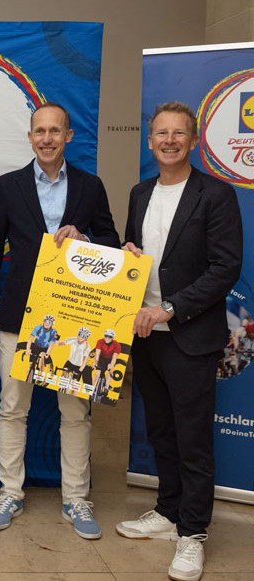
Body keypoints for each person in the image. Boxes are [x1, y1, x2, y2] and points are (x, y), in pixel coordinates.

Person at [0, 102, 120, 539]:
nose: (47, 138)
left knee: (75, 412)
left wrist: (87, 237)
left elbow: (111, 240)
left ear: (68, 136)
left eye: (55, 131)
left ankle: (76, 498)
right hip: (19, 315)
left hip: (78, 320)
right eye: (39, 131)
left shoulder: (90, 187)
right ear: (31, 136)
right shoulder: (9, 186)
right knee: (12, 408)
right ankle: (10, 492)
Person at [116, 101, 243, 581]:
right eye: (160, 133)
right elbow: (140, 252)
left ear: (193, 140)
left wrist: (168, 308)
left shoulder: (216, 194)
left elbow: (224, 267)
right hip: (145, 335)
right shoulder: (139, 192)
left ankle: (193, 534)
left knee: (193, 441)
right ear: (150, 141)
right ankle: (168, 512)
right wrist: (127, 253)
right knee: (161, 432)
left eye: (178, 134)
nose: (168, 141)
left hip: (188, 333)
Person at [53, 326, 92, 395]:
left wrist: (80, 371)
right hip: (70, 363)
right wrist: (56, 339)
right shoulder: (73, 339)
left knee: (74, 387)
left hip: (79, 366)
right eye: (80, 334)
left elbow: (84, 360)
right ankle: (61, 389)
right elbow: (58, 344)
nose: (81, 337)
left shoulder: (87, 346)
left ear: (86, 337)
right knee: (63, 375)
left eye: (83, 336)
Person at [92, 328, 120, 399]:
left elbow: (114, 357)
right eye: (106, 336)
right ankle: (92, 388)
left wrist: (111, 365)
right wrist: (95, 363)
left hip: (110, 359)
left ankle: (106, 387)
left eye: (109, 337)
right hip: (101, 358)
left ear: (113, 338)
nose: (107, 338)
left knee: (111, 370)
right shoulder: (100, 341)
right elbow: (97, 354)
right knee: (97, 373)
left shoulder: (117, 345)